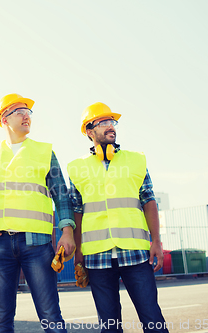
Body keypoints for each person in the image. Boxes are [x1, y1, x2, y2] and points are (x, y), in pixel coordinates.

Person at [0, 93, 75, 333]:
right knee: (1, 320)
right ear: (3, 119)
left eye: (28, 112)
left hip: (37, 243)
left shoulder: (44, 152)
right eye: (19, 112)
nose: (26, 116)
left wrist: (67, 231)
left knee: (51, 316)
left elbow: (61, 194)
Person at [68, 102, 168, 333]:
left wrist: (156, 242)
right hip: (97, 256)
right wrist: (79, 252)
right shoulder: (76, 167)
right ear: (89, 131)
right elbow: (77, 211)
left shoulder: (136, 160)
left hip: (135, 253)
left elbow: (149, 201)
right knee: (109, 325)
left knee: (152, 318)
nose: (110, 126)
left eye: (112, 122)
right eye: (103, 122)